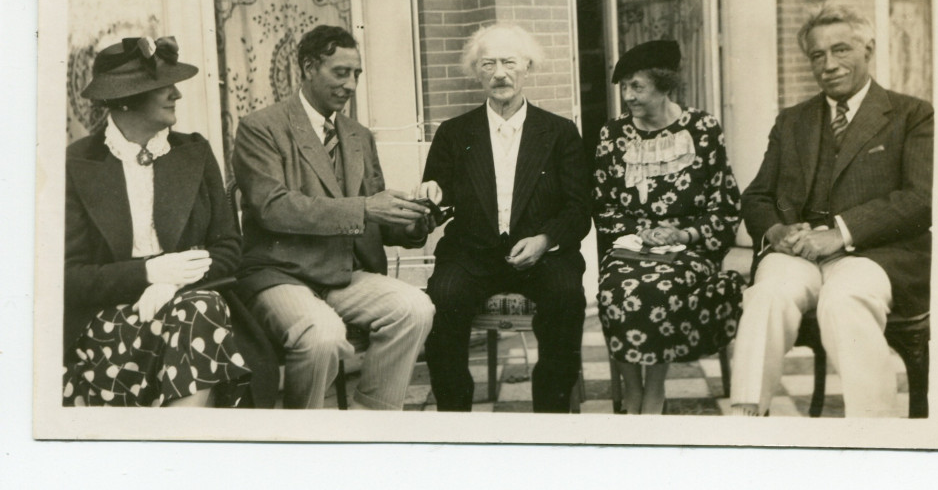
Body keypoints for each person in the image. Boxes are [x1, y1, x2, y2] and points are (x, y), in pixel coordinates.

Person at [729, 0, 933, 418]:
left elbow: (922, 198)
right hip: (798, 253)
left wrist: (839, 233)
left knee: (844, 299)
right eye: (817, 55)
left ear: (868, 50)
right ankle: (746, 421)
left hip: (874, 255)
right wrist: (777, 233)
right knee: (765, 296)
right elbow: (756, 197)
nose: (829, 64)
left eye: (841, 50)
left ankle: (875, 430)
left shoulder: (912, 114)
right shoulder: (792, 121)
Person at [233, 25, 436, 410]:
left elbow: (375, 219)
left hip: (343, 274)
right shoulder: (261, 128)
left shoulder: (359, 136)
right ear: (309, 68)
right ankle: (304, 438)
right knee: (322, 336)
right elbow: (273, 207)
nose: (351, 84)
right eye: (340, 72)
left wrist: (412, 220)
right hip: (280, 274)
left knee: (415, 309)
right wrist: (364, 208)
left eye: (356, 74)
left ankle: (370, 425)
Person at [63, 36, 252, 407]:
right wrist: (150, 273)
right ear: (125, 98)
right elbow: (70, 277)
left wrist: (175, 282)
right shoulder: (77, 163)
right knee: (198, 319)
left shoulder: (194, 151)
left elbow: (230, 248)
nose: (176, 95)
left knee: (198, 309)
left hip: (195, 305)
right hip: (109, 318)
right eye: (163, 86)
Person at [416, 23, 591, 413]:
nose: (499, 73)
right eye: (488, 64)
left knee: (565, 295)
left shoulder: (559, 132)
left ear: (528, 66)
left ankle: (552, 414)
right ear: (476, 71)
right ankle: (455, 416)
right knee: (442, 299)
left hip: (543, 253)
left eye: (509, 62)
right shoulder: (453, 132)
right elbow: (437, 200)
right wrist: (431, 196)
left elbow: (579, 210)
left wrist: (545, 240)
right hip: (471, 253)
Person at [592, 40, 744, 415]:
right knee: (614, 289)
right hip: (630, 244)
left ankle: (655, 389)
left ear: (663, 85)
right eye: (624, 87)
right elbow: (603, 201)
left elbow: (724, 202)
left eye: (637, 87)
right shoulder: (613, 135)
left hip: (689, 248)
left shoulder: (703, 128)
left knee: (658, 289)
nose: (628, 96)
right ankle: (632, 389)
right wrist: (638, 234)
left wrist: (685, 235)